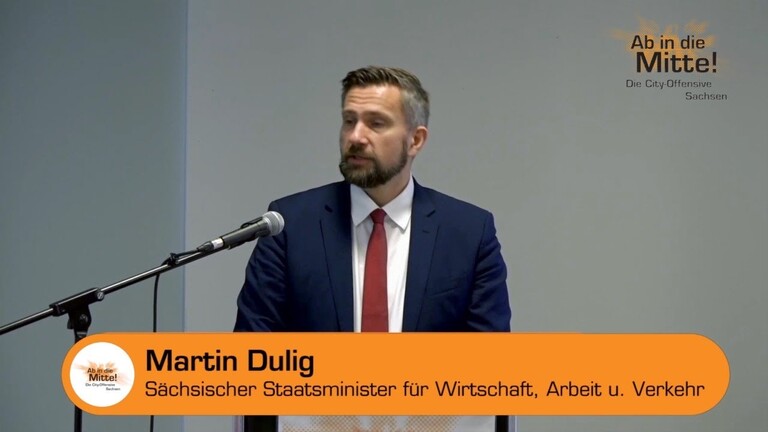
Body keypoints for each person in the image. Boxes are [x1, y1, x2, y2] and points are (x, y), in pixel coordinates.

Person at [234, 66, 510, 333]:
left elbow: (491, 357)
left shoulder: (470, 233)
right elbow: (252, 350)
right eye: (349, 121)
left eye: (376, 123)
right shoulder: (290, 225)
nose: (355, 137)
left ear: (415, 140)